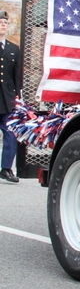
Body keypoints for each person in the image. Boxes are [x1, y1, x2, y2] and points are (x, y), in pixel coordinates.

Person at [0, 11, 20, 184]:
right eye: (0, 22)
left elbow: (16, 76)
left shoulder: (14, 49)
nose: (3, 25)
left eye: (5, 23)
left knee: (10, 133)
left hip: (7, 99)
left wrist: (18, 98)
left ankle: (6, 168)